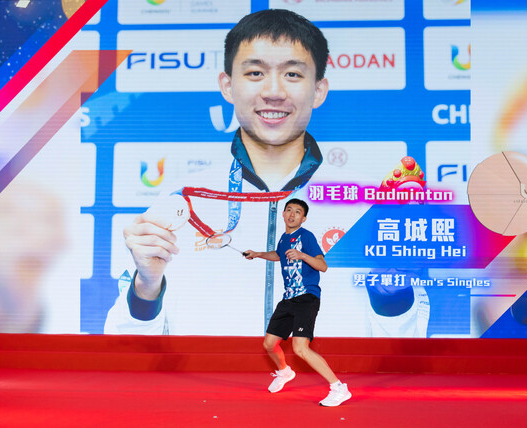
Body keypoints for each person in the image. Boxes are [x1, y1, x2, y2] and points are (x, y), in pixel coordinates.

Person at [104, 9, 428, 338]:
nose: (273, 91)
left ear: (319, 90)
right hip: (210, 391)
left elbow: (407, 353)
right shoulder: (179, 205)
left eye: (293, 74)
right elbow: (127, 352)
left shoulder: (370, 204)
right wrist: (146, 287)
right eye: (256, 73)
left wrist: (392, 294)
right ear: (228, 86)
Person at [244, 198, 351, 406]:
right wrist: (258, 254)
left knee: (300, 348)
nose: (292, 214)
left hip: (306, 297)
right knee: (269, 344)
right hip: (288, 298)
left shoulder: (306, 236)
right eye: (289, 210)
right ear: (283, 214)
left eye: (297, 212)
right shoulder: (284, 238)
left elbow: (323, 265)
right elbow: (279, 255)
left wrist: (302, 255)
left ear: (304, 218)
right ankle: (284, 372)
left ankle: (339, 388)